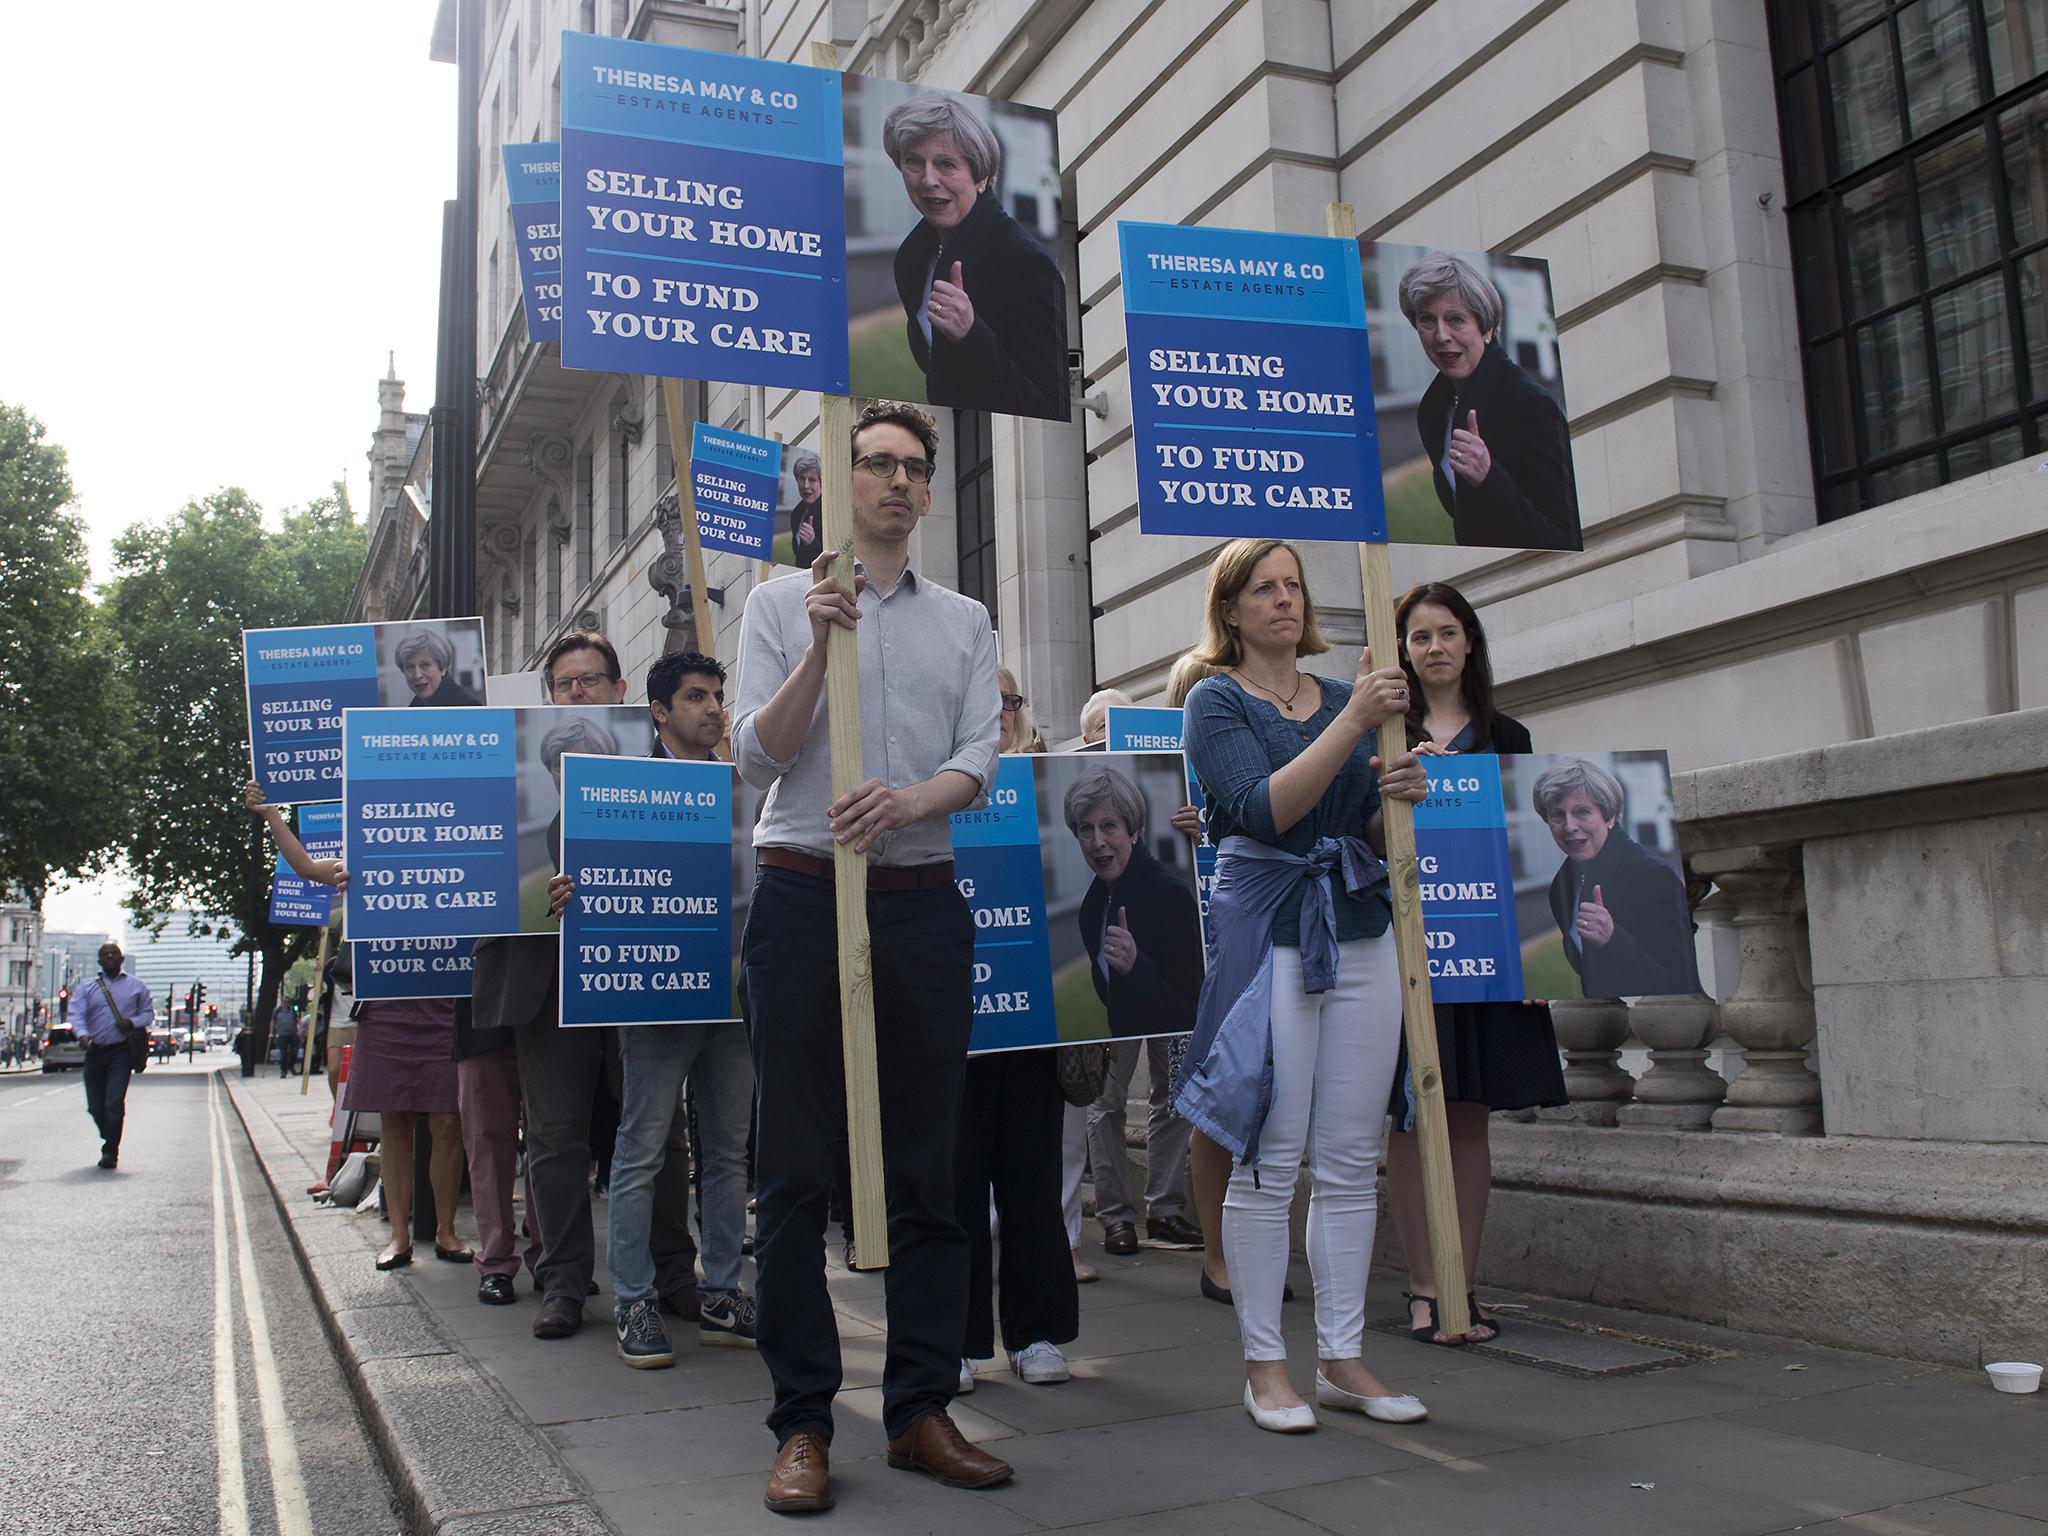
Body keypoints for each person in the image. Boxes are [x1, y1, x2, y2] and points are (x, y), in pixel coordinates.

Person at [732, 399, 1010, 1512]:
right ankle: (803, 1421)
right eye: (877, 463)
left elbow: (981, 754)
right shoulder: (772, 602)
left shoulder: (964, 618)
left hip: (920, 899)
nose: (896, 481)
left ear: (928, 492)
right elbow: (757, 753)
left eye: (913, 468)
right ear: (838, 483)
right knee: (793, 1169)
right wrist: (816, 646)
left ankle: (919, 1407)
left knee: (928, 1165)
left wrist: (906, 801)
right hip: (802, 896)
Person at [1179, 537, 1432, 1433]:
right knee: (1269, 1154)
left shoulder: (1339, 697)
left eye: (1292, 585)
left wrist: (1395, 789)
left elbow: (1350, 818)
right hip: (1273, 936)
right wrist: (1358, 726)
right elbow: (1264, 810)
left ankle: (1342, 1356)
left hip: (1358, 927)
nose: (1284, 600)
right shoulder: (1214, 701)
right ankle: (1264, 1365)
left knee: (1349, 1157)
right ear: (1232, 609)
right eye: (1263, 588)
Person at [472, 632, 701, 1336]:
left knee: (659, 1129)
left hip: (638, 971)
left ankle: (672, 1272)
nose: (578, 691)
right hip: (548, 981)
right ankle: (565, 1280)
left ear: (619, 690)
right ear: (549, 700)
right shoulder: (529, 818)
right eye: (565, 683)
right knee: (554, 1134)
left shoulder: (666, 765)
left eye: (590, 680)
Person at [552, 650, 759, 1368]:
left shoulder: (746, 788)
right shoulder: (621, 786)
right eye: (696, 697)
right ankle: (635, 1298)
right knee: (641, 1149)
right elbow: (595, 879)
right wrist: (571, 893)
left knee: (729, 1152)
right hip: (657, 998)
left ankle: (723, 1290)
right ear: (660, 712)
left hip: (733, 995)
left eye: (718, 696)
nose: (713, 708)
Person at [1382, 581, 1566, 1347]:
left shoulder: (1509, 736)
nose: (1434, 649)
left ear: (1470, 643)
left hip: (1487, 956)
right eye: (1419, 637)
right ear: (1403, 651)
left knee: (1468, 1120)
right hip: (1409, 953)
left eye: (1447, 633)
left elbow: (1531, 851)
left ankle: (1462, 1285)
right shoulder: (1385, 732)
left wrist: (1536, 963)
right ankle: (1423, 1290)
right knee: (1410, 1119)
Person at [244, 783, 471, 1271]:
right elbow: (305, 867)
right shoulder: (365, 863)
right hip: (387, 1004)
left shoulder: (460, 859)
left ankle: (449, 1232)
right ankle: (399, 1236)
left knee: (448, 1122)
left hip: (444, 1004)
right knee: (393, 1120)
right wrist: (270, 815)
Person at [955, 667, 1076, 1392]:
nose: (999, 713)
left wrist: (1177, 827)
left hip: (1033, 1019)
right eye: (984, 701)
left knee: (1032, 1178)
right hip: (954, 1019)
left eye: (1008, 702)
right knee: (955, 1181)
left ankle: (1036, 1332)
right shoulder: (929, 785)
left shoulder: (1050, 788)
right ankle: (959, 1339)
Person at [1074, 762, 1204, 1257]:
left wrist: (1135, 967)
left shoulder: (1168, 892)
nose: (1097, 841)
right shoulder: (1092, 905)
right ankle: (1116, 1218)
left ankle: (1165, 1210)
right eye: (1086, 829)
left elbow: (1183, 999)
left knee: (1172, 1096)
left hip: (1169, 1020)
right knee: (1103, 1103)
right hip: (1119, 1023)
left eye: (1109, 826)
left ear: (1132, 830)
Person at [883, 93, 1069, 421]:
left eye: (946, 164)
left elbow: (1047, 406)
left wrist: (971, 333)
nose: (928, 180)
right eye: (913, 161)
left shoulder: (1025, 263)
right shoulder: (911, 258)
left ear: (981, 176)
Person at [1399, 252, 1580, 552]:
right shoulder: (1432, 409)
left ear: (1486, 329)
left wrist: (1490, 477)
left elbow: (1564, 538)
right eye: (1427, 320)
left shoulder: (1531, 406)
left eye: (1456, 319)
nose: (1441, 335)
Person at [1535, 758, 1702, 999]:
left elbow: (1680, 982)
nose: (1569, 826)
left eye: (1582, 812)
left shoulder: (1651, 876)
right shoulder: (1562, 885)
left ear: (1610, 817)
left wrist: (1612, 939)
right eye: (1557, 815)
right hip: (1604, 1026)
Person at [70, 942, 152, 1170]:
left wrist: (132, 1022)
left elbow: (148, 1013)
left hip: (121, 1052)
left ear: (121, 959)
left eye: (113, 953)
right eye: (105, 954)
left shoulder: (137, 986)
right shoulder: (87, 988)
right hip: (95, 1051)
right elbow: (76, 1014)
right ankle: (110, 1134)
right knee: (96, 1107)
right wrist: (83, 1034)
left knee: (114, 1103)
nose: (109, 957)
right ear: (99, 961)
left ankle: (110, 1151)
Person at [395, 627, 482, 707]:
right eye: (410, 667)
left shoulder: (467, 705)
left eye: (425, 665)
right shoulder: (414, 708)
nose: (417, 675)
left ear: (442, 667)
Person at [788, 452, 824, 568]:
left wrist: (812, 542)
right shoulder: (796, 513)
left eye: (812, 480)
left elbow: (839, 556)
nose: (805, 485)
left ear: (822, 483)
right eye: (802, 479)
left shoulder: (828, 511)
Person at [274, 1006, 300, 1078]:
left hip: (292, 1034)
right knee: (283, 1053)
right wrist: (271, 1033)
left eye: (287, 1002)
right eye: (284, 1001)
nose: (286, 1003)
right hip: (282, 1035)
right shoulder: (277, 1011)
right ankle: (283, 1070)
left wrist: (300, 1031)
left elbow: (298, 1020)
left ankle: (290, 1065)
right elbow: (273, 1021)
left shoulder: (293, 1010)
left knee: (294, 1052)